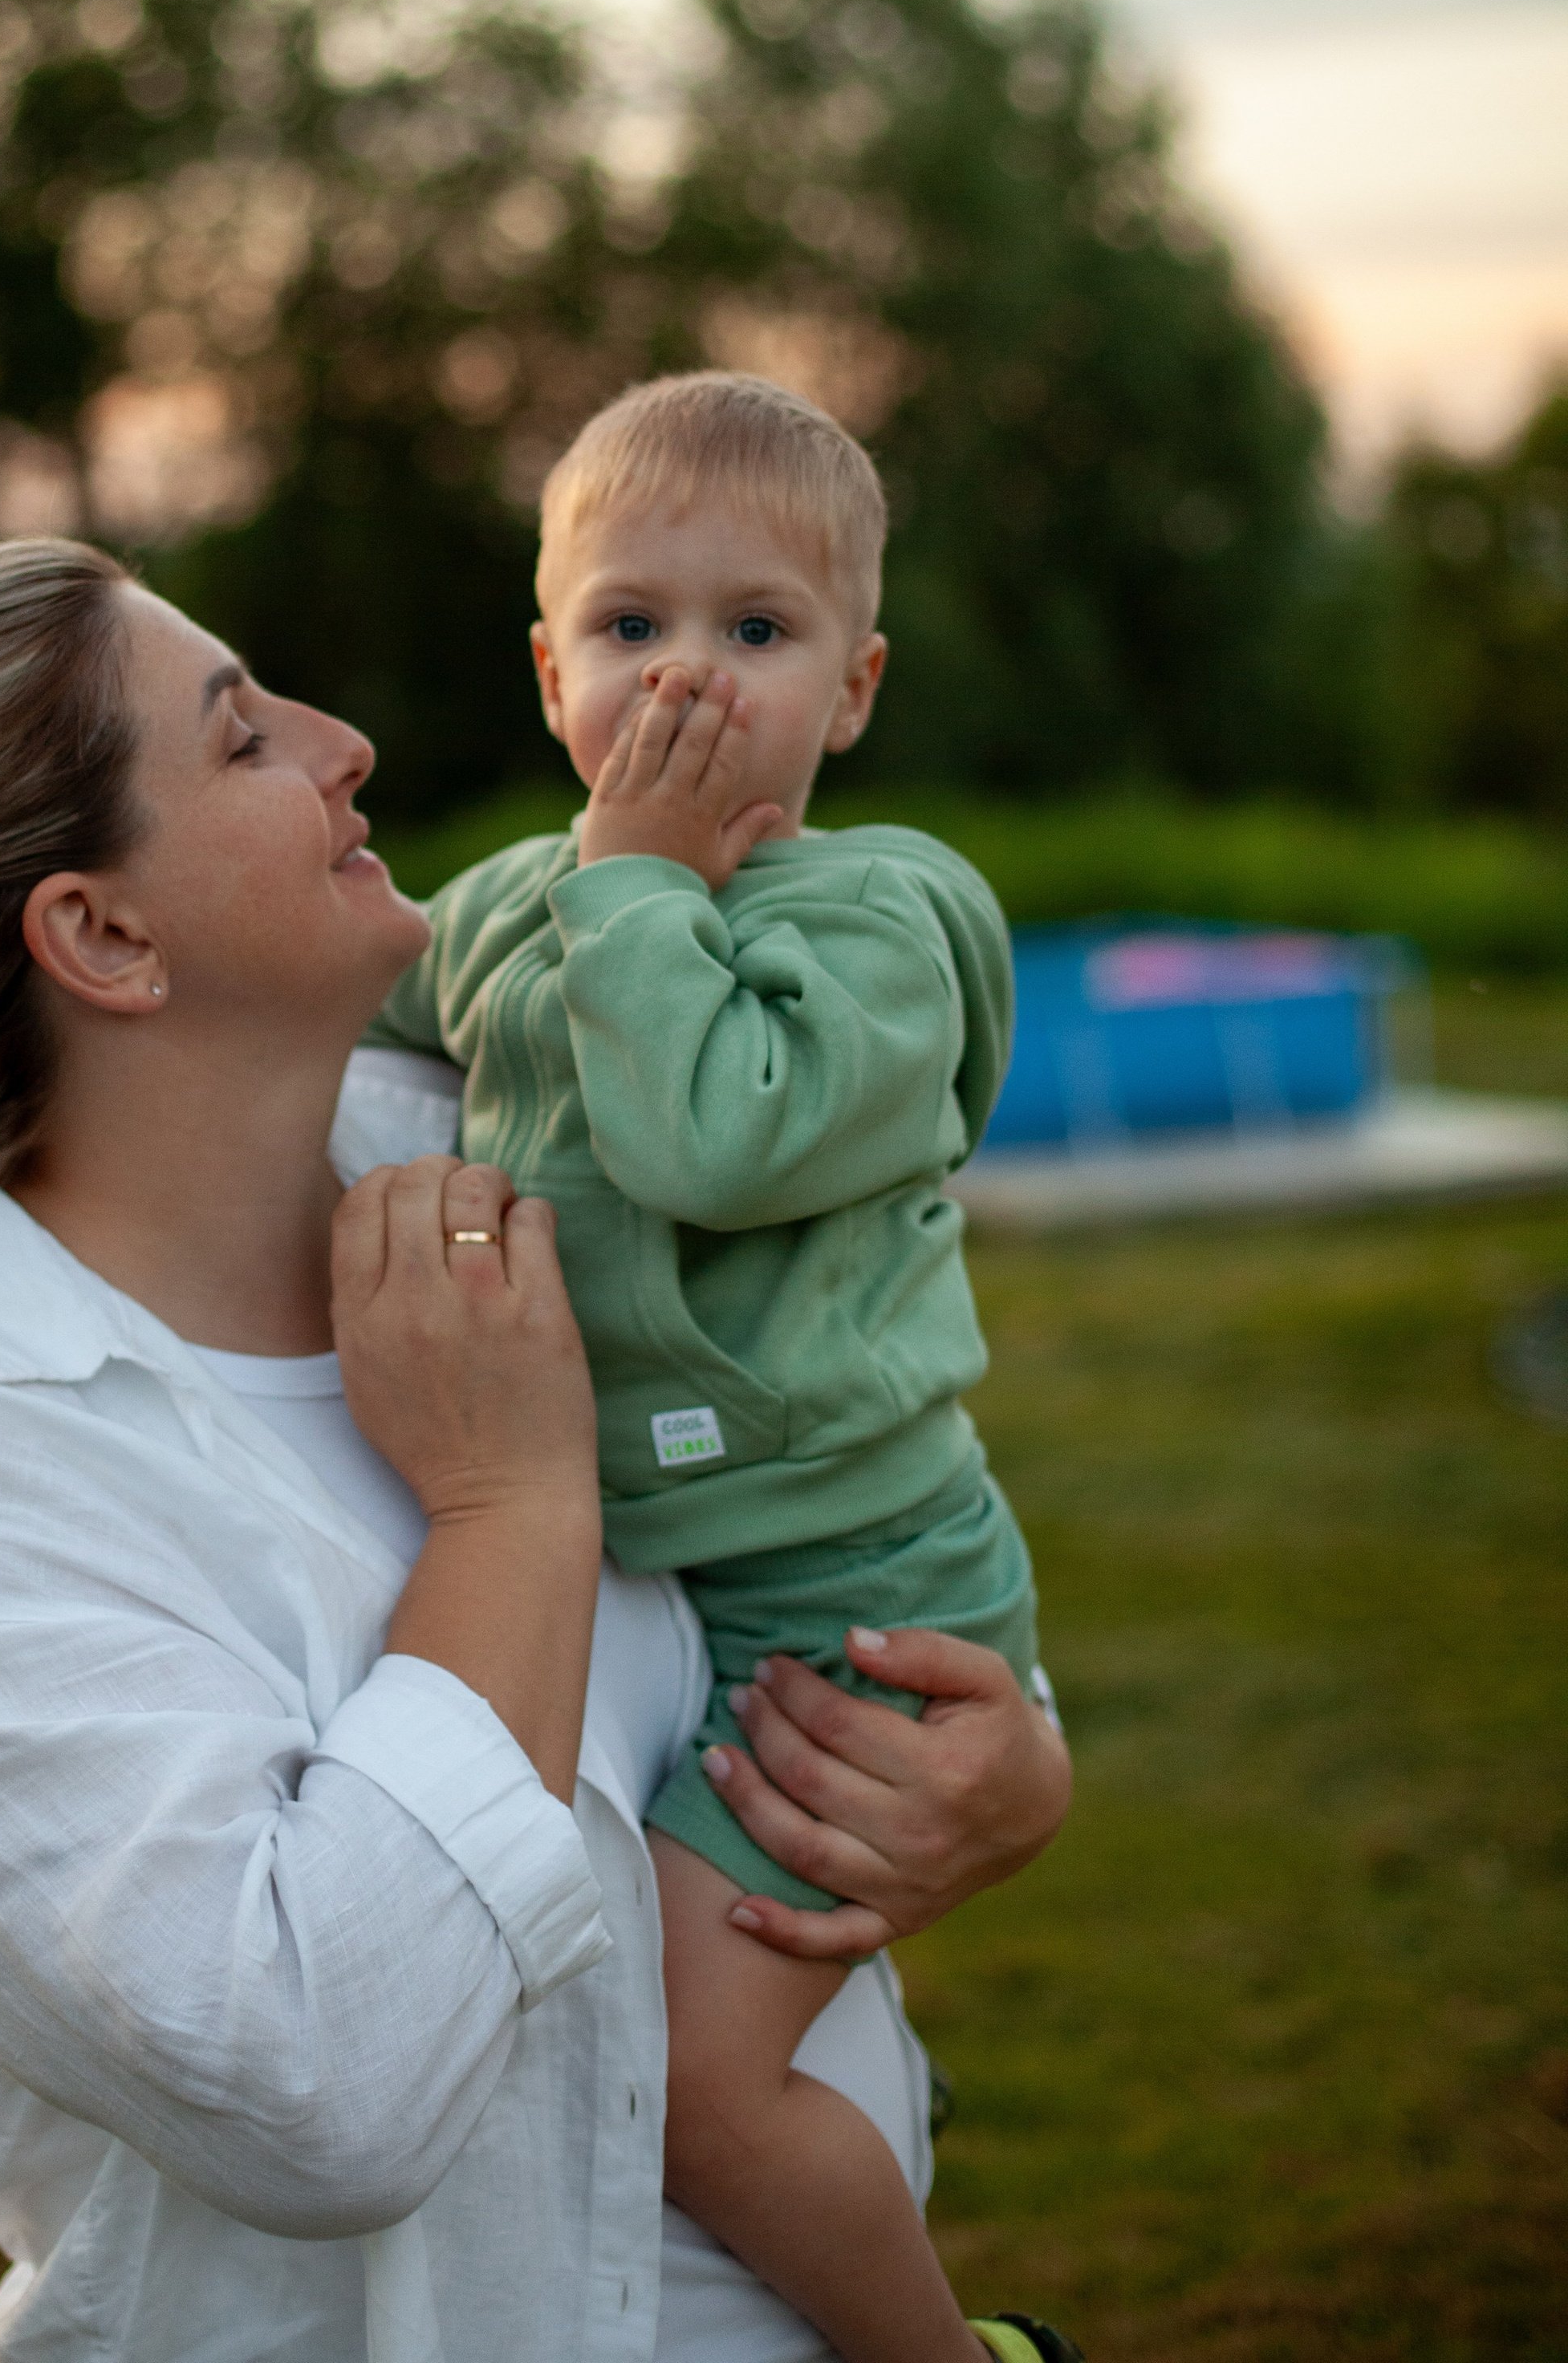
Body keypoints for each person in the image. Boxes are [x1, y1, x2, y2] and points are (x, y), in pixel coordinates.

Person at [0, 534, 1071, 2363]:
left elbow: (854, 1453)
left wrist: (1008, 1765)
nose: (346, 744)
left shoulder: (517, 1126)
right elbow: (323, 2085)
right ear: (102, 934)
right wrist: (511, 1503)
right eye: (242, 739)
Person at [366, 373, 1073, 2363]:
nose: (684, 682)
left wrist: (636, 883)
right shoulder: (529, 902)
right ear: (544, 672)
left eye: (751, 633)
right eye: (629, 628)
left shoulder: (880, 924)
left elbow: (710, 1138)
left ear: (849, 690)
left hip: (858, 1591)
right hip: (671, 1571)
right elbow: (319, 998)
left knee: (692, 2083)